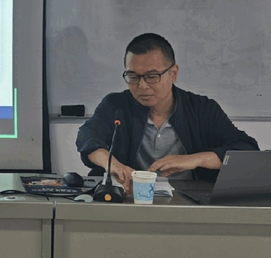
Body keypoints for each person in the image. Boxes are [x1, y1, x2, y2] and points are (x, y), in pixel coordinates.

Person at [75, 33, 259, 194]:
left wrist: (195, 159)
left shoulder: (201, 109)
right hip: (130, 198)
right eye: (133, 76)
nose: (142, 86)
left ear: (173, 73)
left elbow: (246, 150)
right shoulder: (116, 105)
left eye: (152, 76)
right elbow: (88, 137)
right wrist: (113, 165)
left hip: (190, 201)